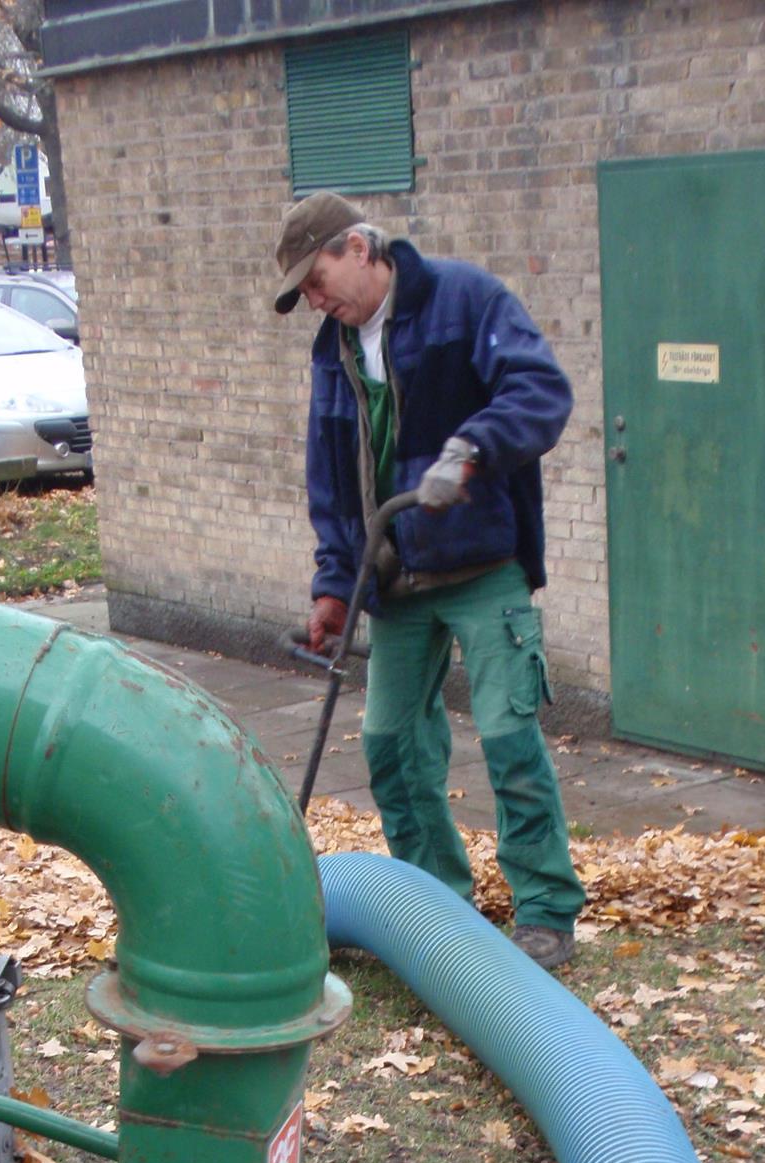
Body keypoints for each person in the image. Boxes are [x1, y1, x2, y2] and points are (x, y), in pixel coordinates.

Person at [275, 191, 585, 970]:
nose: (316, 301)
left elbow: (541, 391)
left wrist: (474, 447)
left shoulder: (464, 299)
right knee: (389, 741)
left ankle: (546, 911)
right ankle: (435, 904)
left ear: (357, 247)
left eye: (316, 280)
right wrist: (334, 588)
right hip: (396, 577)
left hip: (482, 565)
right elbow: (334, 484)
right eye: (306, 294)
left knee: (509, 733)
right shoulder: (333, 350)